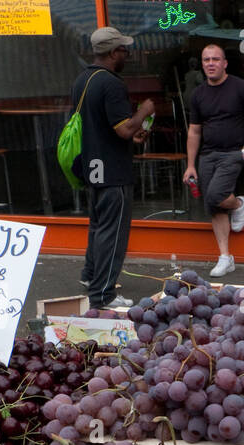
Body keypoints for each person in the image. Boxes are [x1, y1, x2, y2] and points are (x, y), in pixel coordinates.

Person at [71, 26, 155, 308]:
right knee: (113, 232)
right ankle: (103, 294)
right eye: (122, 49)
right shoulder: (111, 83)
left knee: (98, 227)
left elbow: (100, 126)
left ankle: (90, 276)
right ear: (111, 52)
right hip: (113, 170)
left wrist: (134, 130)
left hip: (92, 166)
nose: (126, 54)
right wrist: (144, 110)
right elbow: (121, 130)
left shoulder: (82, 80)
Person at [184, 44, 244, 278]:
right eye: (206, 59)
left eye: (215, 59)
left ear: (225, 63)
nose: (211, 63)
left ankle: (239, 204)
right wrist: (190, 164)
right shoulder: (198, 94)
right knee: (212, 206)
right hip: (207, 155)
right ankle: (225, 257)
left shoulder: (242, 88)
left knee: (215, 195)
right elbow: (194, 131)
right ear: (202, 64)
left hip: (233, 153)